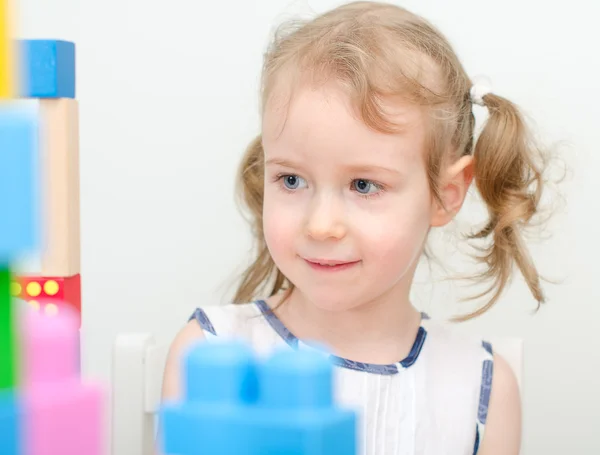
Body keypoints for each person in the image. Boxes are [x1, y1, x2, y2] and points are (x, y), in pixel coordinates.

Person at [162, 2, 550, 453]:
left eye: (364, 185)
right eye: (292, 179)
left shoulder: (481, 389)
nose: (321, 225)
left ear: (445, 194)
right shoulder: (210, 356)